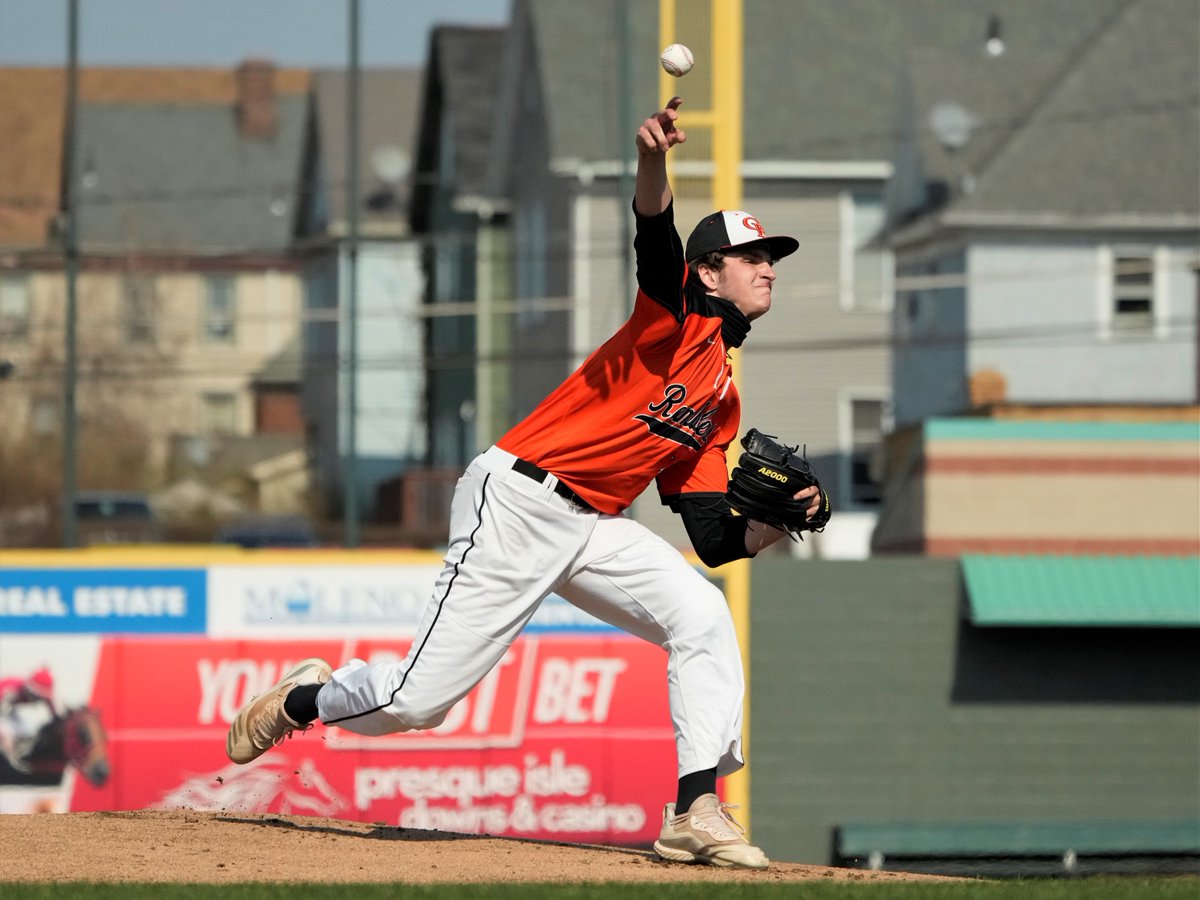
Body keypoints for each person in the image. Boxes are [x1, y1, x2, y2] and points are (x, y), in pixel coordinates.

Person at [226, 96, 822, 869]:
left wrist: (792, 518)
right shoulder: (676, 315)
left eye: (771, 257)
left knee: (703, 616)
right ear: (709, 272)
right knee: (416, 703)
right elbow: (653, 234)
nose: (767, 266)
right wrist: (652, 159)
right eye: (751, 257)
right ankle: (306, 697)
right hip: (518, 499)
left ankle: (695, 808)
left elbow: (715, 538)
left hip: (593, 528)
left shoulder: (720, 397)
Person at [0, 667, 58, 769]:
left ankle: (17, 760)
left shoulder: (43, 696)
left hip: (10, 711)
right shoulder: (11, 690)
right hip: (3, 709)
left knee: (27, 731)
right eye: (37, 697)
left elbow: (55, 717)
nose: (38, 700)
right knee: (6, 737)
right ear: (30, 690)